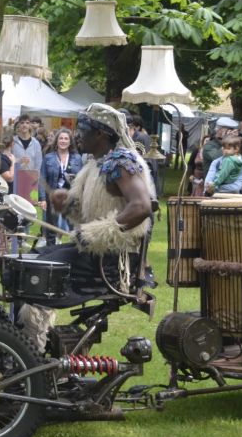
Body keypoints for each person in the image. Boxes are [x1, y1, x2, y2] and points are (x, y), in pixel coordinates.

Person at [19, 104, 154, 353]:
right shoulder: (95, 164)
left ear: (100, 133)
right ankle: (24, 345)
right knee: (28, 263)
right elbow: (90, 213)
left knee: (37, 273)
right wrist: (67, 205)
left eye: (82, 130)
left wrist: (95, 233)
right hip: (94, 252)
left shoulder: (121, 163)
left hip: (110, 263)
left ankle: (31, 352)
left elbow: (141, 207)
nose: (77, 136)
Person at [39, 128, 83, 245]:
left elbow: (81, 179)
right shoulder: (48, 157)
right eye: (61, 138)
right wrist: (42, 199)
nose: (63, 141)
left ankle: (74, 249)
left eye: (66, 139)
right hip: (53, 196)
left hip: (71, 197)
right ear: (57, 141)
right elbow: (42, 178)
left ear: (70, 141)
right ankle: (50, 249)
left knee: (74, 226)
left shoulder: (77, 158)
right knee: (51, 227)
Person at [11, 115, 43, 201]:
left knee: (31, 205)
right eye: (22, 123)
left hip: (31, 179)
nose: (24, 125)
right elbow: (8, 160)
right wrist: (18, 160)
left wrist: (35, 178)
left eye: (27, 123)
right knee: (16, 204)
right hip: (16, 179)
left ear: (30, 125)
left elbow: (38, 164)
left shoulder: (36, 143)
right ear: (18, 125)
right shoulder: (12, 142)